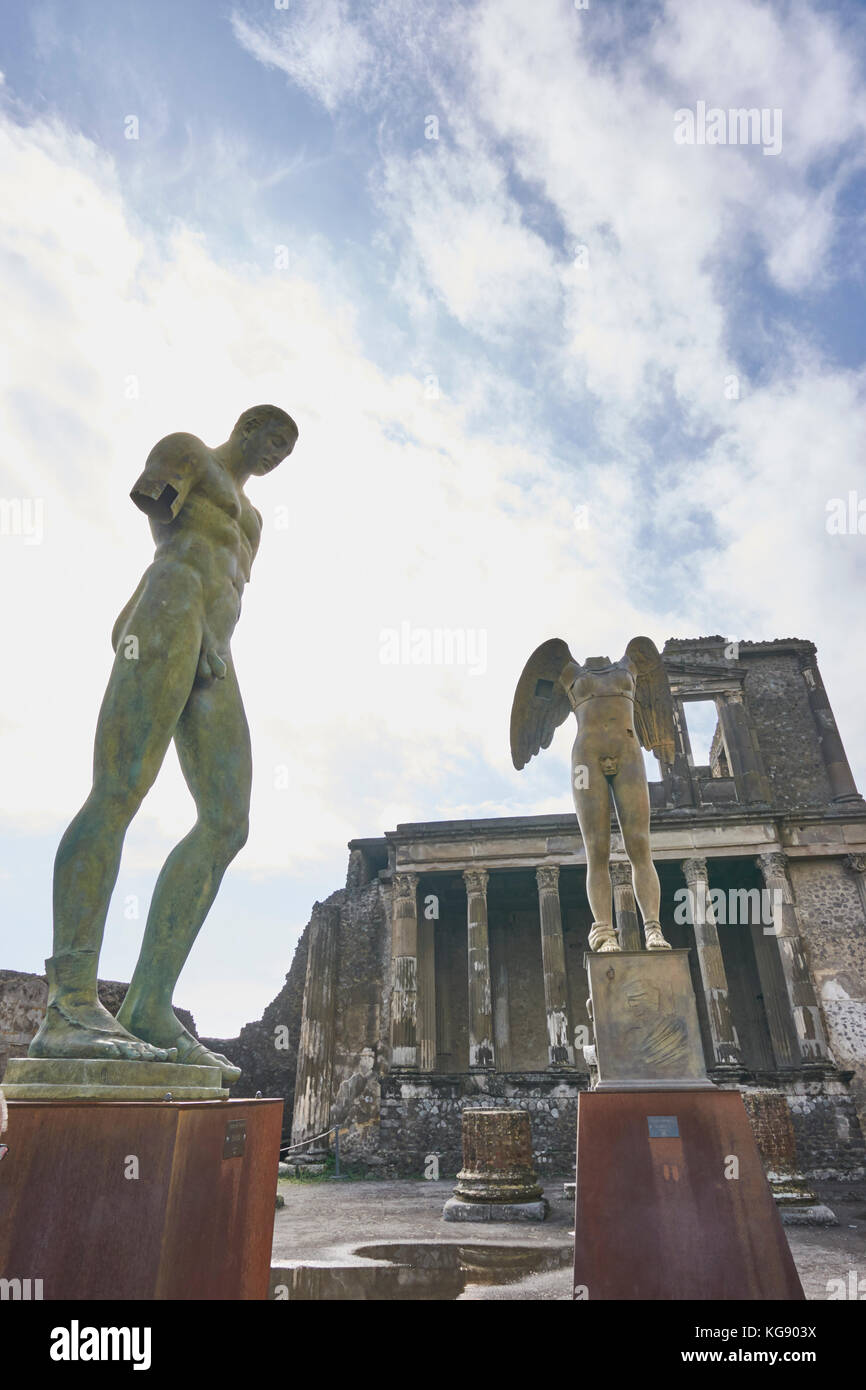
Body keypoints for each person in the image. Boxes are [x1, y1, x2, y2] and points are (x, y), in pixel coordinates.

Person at [29, 405, 298, 1082]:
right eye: (273, 437)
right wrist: (178, 607)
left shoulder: (257, 525)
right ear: (247, 425)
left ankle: (149, 1004)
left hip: (218, 648)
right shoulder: (187, 452)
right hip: (168, 603)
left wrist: (211, 633)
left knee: (227, 824)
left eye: (287, 450)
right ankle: (70, 1001)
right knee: (119, 789)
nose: (276, 453)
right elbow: (158, 517)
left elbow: (232, 584)